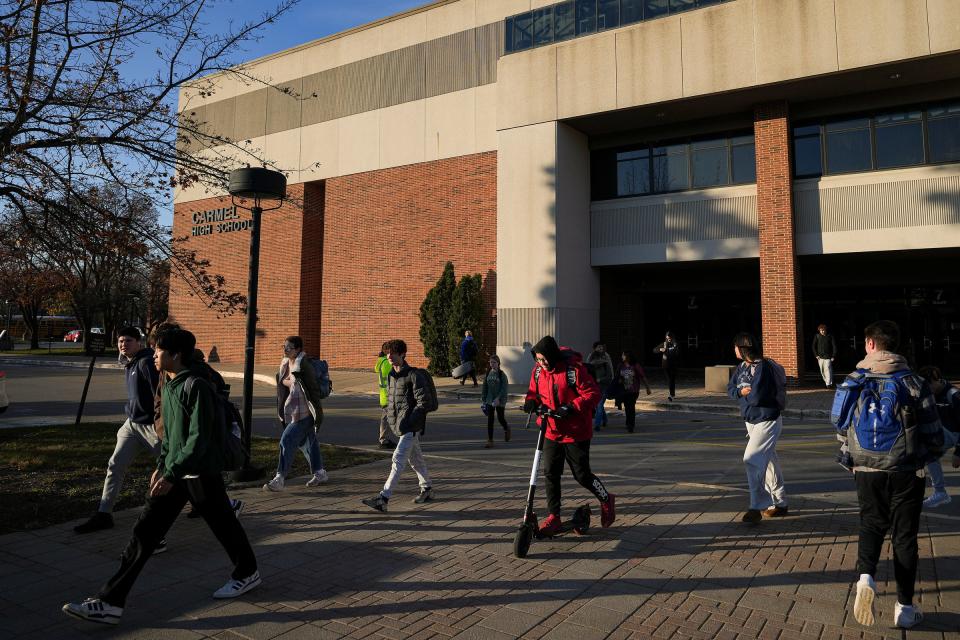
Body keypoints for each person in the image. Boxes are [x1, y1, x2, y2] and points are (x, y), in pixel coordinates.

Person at [62, 328, 260, 626]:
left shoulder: (196, 386)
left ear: (175, 355)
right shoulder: (168, 384)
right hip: (177, 470)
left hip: (197, 471)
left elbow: (198, 438)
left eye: (158, 351)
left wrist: (171, 471)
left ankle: (247, 573)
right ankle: (110, 602)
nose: (153, 355)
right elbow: (168, 432)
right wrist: (163, 463)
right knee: (146, 533)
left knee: (223, 526)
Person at [837, 321, 944, 629]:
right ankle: (905, 609)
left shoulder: (855, 380)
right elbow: (933, 431)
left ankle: (866, 577)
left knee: (870, 523)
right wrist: (928, 457)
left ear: (870, 344)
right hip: (907, 470)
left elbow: (841, 425)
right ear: (896, 346)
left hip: (866, 469)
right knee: (905, 537)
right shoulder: (913, 381)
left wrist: (850, 461)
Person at [74, 327, 162, 537]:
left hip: (152, 427)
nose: (123, 344)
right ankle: (104, 514)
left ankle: (219, 504)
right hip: (131, 426)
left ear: (139, 342)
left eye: (128, 341)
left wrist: (161, 425)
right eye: (120, 341)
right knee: (115, 465)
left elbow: (160, 396)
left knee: (178, 471)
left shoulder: (146, 363)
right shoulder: (130, 362)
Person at [523, 335, 614, 535]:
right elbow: (534, 391)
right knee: (550, 473)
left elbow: (593, 394)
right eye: (538, 359)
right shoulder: (539, 371)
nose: (542, 363)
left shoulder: (574, 370)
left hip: (576, 432)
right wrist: (531, 401)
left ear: (553, 355)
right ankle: (554, 516)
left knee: (582, 475)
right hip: (551, 429)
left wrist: (572, 407)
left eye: (544, 359)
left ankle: (606, 498)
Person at [362, 339, 433, 511]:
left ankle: (383, 498)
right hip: (402, 426)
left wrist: (410, 421)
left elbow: (424, 402)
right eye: (387, 353)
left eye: (393, 353)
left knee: (398, 459)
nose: (389, 356)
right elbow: (393, 402)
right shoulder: (391, 376)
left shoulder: (413, 375)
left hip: (410, 426)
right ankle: (427, 488)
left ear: (402, 354)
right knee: (415, 459)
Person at [727, 332, 788, 524]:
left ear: (743, 349)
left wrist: (744, 395)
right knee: (769, 462)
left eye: (736, 346)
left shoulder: (764, 368)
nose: (734, 349)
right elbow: (730, 389)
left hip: (767, 420)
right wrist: (741, 392)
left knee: (751, 459)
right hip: (751, 421)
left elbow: (757, 397)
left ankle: (756, 506)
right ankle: (780, 503)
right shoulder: (742, 367)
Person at [263, 336, 328, 492]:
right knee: (310, 442)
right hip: (292, 410)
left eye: (289, 347)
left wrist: (317, 413)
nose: (285, 350)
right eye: (284, 346)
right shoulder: (285, 363)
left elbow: (312, 390)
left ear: (298, 349)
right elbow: (283, 384)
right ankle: (320, 473)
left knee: (286, 440)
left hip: (305, 412)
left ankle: (279, 478)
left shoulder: (304, 365)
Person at [916, 366, 960, 508]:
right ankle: (940, 492)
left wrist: (958, 452)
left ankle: (940, 492)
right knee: (928, 451)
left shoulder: (953, 395)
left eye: (929, 385)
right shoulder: (930, 394)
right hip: (943, 433)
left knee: (928, 448)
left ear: (937, 380)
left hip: (955, 434)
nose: (927, 389)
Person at [614, 350, 651, 432]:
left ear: (628, 357)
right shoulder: (621, 365)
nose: (622, 357)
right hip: (623, 390)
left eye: (623, 355)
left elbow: (643, 376)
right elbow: (617, 376)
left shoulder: (635, 366)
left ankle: (631, 425)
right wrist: (618, 381)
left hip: (633, 391)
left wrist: (647, 388)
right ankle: (628, 422)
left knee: (631, 407)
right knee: (627, 407)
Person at [481, 354, 510, 448]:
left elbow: (504, 388)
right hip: (490, 399)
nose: (492, 364)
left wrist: (498, 398)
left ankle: (506, 428)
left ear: (498, 363)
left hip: (500, 400)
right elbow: (485, 386)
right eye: (491, 362)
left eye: (494, 362)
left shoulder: (502, 375)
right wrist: (484, 399)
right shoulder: (488, 373)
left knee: (500, 418)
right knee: (490, 420)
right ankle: (490, 440)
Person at [586, 341, 614, 431]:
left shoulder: (606, 358)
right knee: (598, 405)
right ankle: (604, 419)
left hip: (604, 386)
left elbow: (610, 372)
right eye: (599, 348)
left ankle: (597, 424)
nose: (601, 349)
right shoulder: (591, 357)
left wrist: (604, 380)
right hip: (594, 386)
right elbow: (587, 370)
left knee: (599, 404)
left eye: (602, 348)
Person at [376, 347, 396, 449]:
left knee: (386, 418)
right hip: (389, 395)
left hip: (384, 395)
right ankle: (383, 440)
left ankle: (384, 439)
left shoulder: (381, 362)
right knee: (390, 418)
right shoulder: (387, 363)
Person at [653, 331, 681, 401]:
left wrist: (666, 350)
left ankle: (671, 395)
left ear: (672, 337)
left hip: (673, 365)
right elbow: (654, 350)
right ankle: (672, 394)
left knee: (672, 379)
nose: (669, 339)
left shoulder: (675, 344)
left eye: (669, 338)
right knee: (670, 380)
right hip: (665, 365)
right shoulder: (664, 344)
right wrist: (660, 349)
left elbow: (676, 352)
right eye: (667, 338)